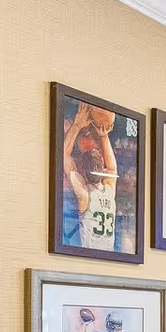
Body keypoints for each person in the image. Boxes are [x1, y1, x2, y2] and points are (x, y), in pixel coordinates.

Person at [63, 102, 120, 250]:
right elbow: (113, 169)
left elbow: (63, 154)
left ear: (82, 171)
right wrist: (104, 135)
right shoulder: (109, 190)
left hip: (90, 255)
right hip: (109, 254)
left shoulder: (84, 195)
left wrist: (76, 125)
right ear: (102, 169)